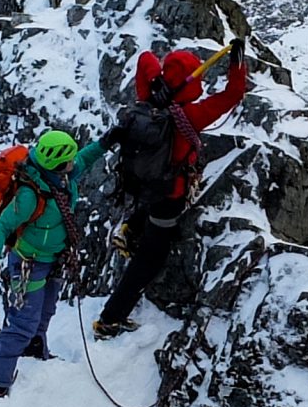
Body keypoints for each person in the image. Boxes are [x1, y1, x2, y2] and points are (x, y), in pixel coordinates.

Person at [90, 38, 249, 338]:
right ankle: (110, 319)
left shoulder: (147, 98)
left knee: (149, 204)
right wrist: (237, 64)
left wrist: (155, 81)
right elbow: (233, 95)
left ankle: (130, 228)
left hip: (141, 184)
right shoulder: (190, 115)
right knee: (149, 260)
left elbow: (145, 58)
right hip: (168, 195)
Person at [0, 127, 107, 397]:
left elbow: (85, 158)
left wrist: (107, 141)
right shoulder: (29, 195)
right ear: (58, 164)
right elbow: (2, 227)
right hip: (29, 263)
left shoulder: (60, 178)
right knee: (23, 323)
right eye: (68, 160)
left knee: (45, 311)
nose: (73, 164)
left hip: (52, 260)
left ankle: (35, 353)